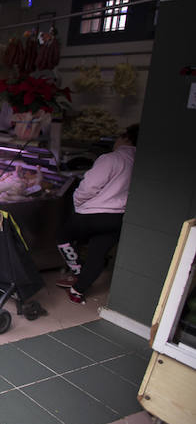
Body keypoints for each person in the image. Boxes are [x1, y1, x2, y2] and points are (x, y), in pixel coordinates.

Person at [54, 124, 138, 304]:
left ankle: (77, 271)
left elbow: (89, 186)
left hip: (92, 214)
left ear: (125, 138)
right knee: (98, 254)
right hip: (119, 217)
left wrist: (77, 202)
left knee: (63, 236)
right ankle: (77, 292)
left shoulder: (111, 158)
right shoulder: (143, 162)